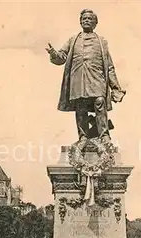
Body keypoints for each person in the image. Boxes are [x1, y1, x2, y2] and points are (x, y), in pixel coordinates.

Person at [46, 9, 126, 143]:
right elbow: (61, 57)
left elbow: (110, 66)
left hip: (97, 78)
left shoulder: (102, 42)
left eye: (90, 19)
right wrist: (53, 53)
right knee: (81, 105)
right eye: (84, 19)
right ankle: (83, 136)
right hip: (79, 79)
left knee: (100, 101)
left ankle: (104, 135)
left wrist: (116, 87)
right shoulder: (73, 40)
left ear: (95, 23)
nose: (86, 21)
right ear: (80, 22)